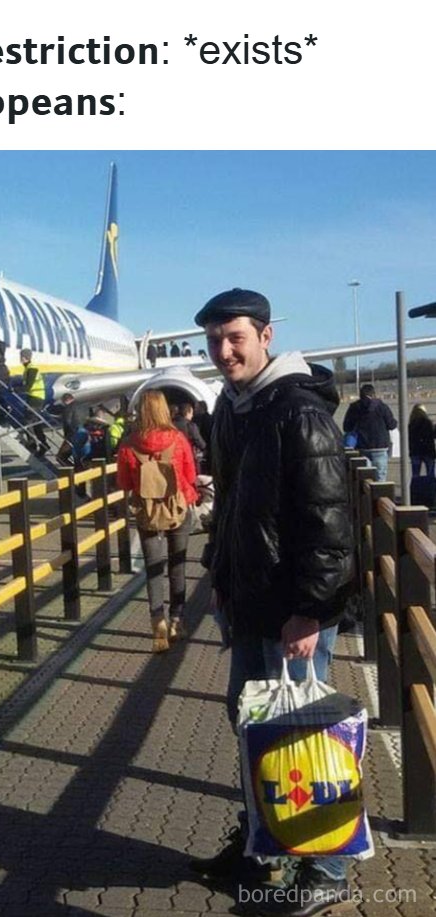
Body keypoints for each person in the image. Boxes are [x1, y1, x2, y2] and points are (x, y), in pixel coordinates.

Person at [192, 288, 354, 916]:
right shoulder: (236, 408)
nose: (223, 350)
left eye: (234, 337)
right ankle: (262, 850)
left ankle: (328, 868)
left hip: (293, 613)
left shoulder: (297, 412)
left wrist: (310, 611)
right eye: (214, 340)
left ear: (265, 336)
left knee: (305, 738)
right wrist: (221, 579)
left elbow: (329, 526)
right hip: (251, 604)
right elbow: (234, 508)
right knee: (255, 728)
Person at [117, 390, 198, 653]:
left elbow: (124, 483)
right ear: (165, 410)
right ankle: (177, 620)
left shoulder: (129, 444)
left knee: (153, 570)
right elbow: (190, 474)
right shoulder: (178, 438)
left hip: (147, 511)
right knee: (178, 564)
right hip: (178, 508)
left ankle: (157, 625)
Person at [342, 383, 397, 482]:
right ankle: (380, 496)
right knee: (380, 479)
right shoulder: (382, 407)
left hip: (362, 447)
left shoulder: (354, 407)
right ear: (373, 394)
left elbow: (347, 427)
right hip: (380, 447)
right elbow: (392, 425)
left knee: (365, 479)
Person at [17, 348, 49, 456]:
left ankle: (33, 443)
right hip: (35, 397)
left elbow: (28, 386)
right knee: (35, 423)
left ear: (25, 357)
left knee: (28, 421)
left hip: (35, 397)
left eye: (21, 356)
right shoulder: (29, 368)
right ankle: (43, 444)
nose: (20, 358)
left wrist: (15, 390)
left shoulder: (32, 369)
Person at [173, 401, 207, 474]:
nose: (192, 415)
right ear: (187, 413)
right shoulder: (190, 426)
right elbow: (200, 443)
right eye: (191, 413)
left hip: (174, 456)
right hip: (188, 456)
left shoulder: (171, 424)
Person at [55, 392, 89, 466]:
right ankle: (79, 470)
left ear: (65, 401)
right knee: (80, 456)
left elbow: (67, 421)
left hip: (73, 433)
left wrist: (66, 436)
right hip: (85, 433)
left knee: (60, 457)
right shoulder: (83, 406)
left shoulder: (68, 408)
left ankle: (72, 471)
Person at [408, 403, 435, 478]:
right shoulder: (428, 423)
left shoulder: (411, 424)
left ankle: (416, 488)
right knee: (430, 473)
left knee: (415, 474)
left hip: (415, 451)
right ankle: (430, 488)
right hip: (428, 451)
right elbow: (433, 434)